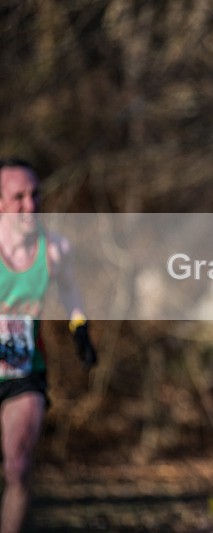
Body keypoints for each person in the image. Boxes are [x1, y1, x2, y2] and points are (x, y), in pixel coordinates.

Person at [0, 158, 97, 533]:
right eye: (18, 196)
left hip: (25, 373)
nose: (30, 204)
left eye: (35, 194)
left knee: (18, 468)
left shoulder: (54, 249)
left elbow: (71, 290)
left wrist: (80, 329)